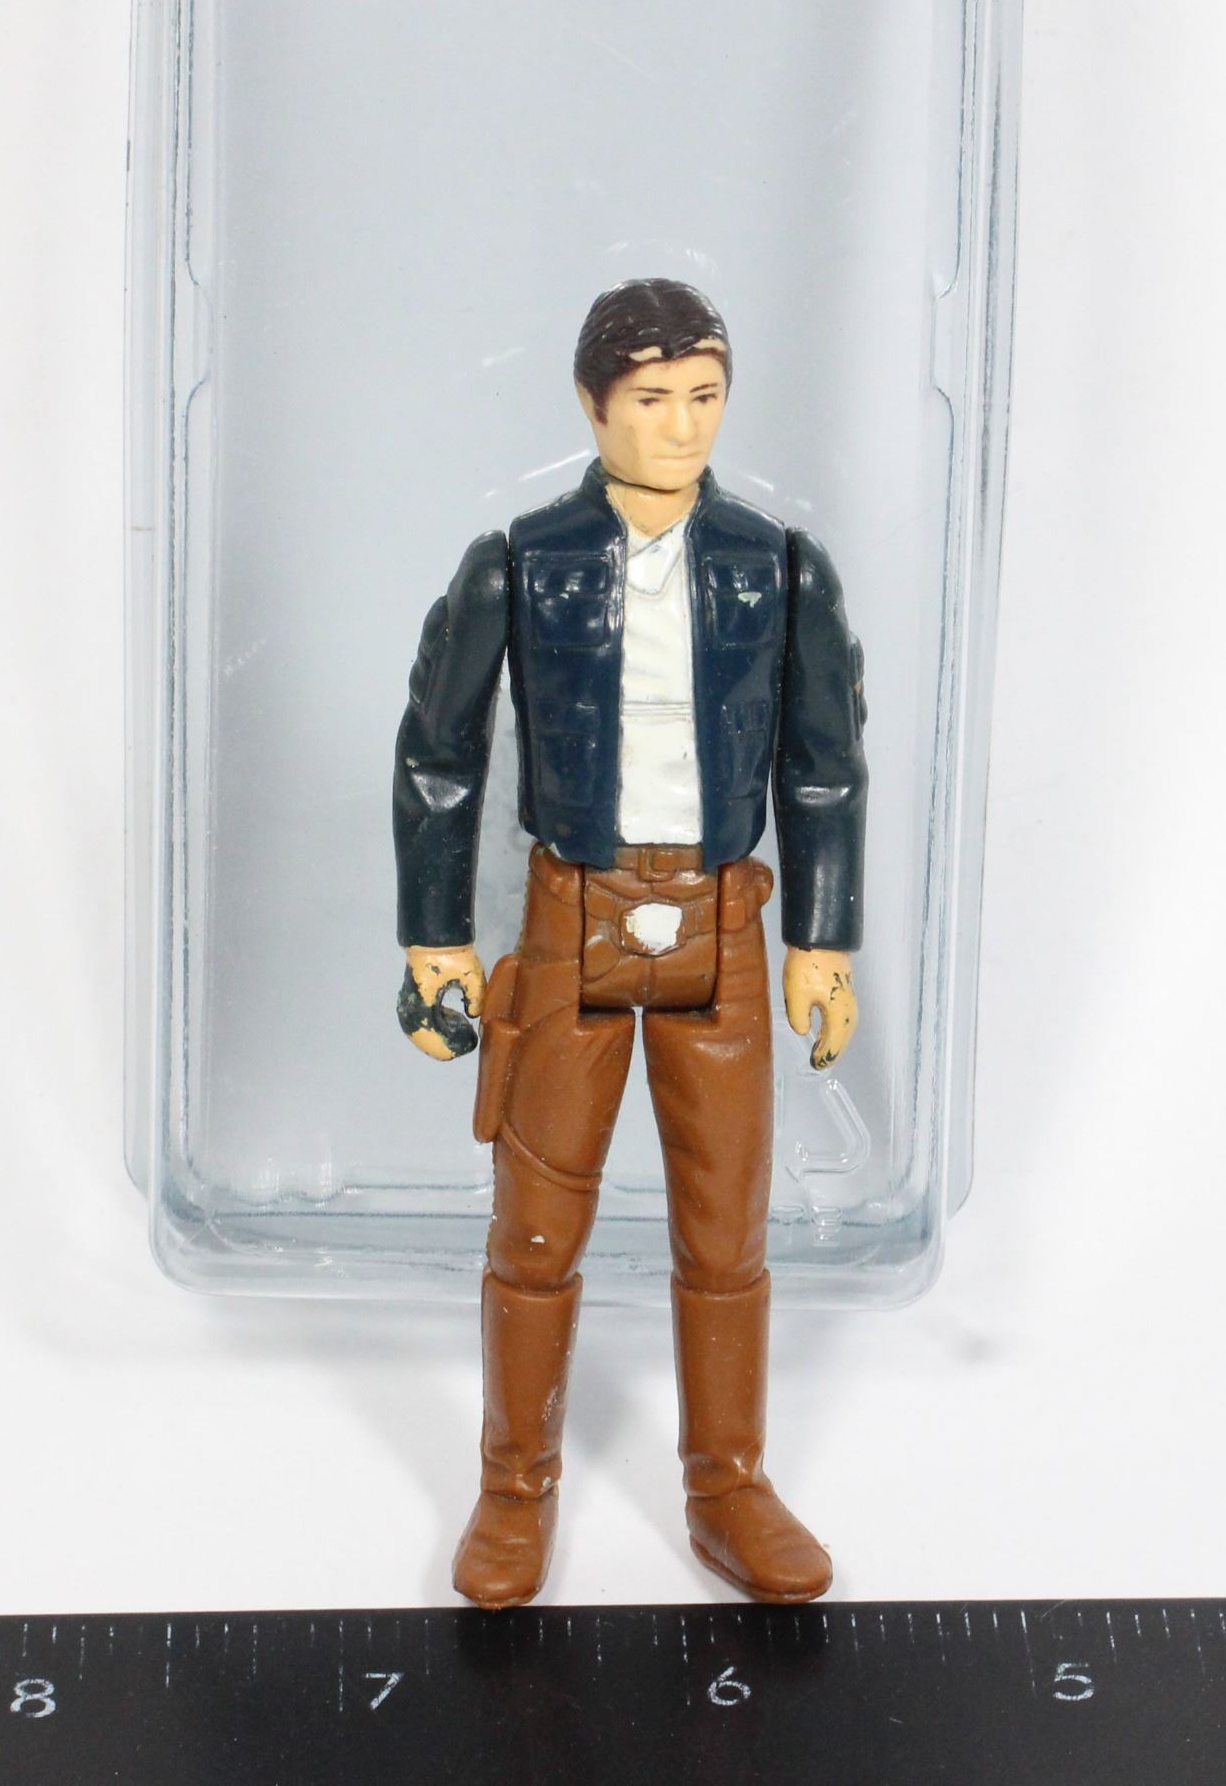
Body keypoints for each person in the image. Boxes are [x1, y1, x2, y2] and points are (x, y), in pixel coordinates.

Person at [393, 279, 867, 1609]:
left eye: (705, 396)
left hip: (720, 923)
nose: (682, 425)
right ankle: (515, 1486)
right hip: (572, 918)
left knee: (727, 1226)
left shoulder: (776, 565)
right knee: (537, 1224)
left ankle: (729, 1485)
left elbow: (825, 764)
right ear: (593, 404)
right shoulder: (522, 561)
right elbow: (439, 753)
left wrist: (822, 941)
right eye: (652, 398)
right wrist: (435, 938)